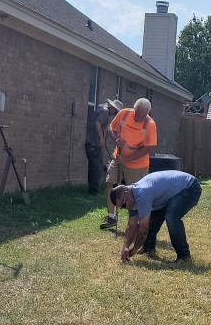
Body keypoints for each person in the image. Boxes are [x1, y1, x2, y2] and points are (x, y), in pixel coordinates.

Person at [110, 169, 202, 264]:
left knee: (172, 218)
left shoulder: (142, 194)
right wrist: (125, 246)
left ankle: (184, 257)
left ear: (127, 193)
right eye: (122, 207)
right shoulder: (132, 197)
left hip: (189, 188)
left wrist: (133, 250)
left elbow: (143, 230)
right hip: (173, 192)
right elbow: (131, 225)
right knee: (152, 216)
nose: (126, 208)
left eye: (124, 205)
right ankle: (148, 248)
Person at [100, 97, 157, 230]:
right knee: (110, 182)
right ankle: (111, 217)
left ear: (148, 113)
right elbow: (112, 128)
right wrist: (116, 139)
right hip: (118, 157)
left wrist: (127, 159)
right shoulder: (124, 113)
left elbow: (147, 148)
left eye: (143, 116)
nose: (139, 118)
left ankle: (137, 222)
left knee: (138, 193)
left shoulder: (150, 124)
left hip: (138, 164)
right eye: (137, 114)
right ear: (134, 109)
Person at [85, 102, 111, 194]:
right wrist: (101, 138)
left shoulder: (100, 109)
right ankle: (94, 191)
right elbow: (98, 122)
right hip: (94, 144)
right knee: (97, 168)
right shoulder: (105, 111)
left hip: (91, 143)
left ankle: (93, 190)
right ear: (113, 109)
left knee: (94, 167)